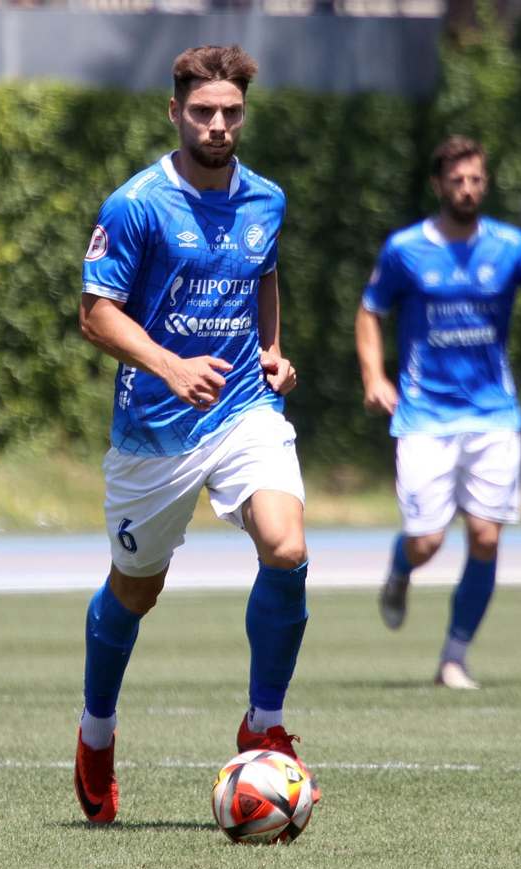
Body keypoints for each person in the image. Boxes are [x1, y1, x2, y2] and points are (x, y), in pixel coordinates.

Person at [72, 45, 313, 823]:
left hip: (243, 408)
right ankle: (97, 730)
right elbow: (95, 314)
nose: (217, 125)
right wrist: (171, 366)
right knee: (137, 590)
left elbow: (264, 273)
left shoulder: (266, 199)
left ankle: (264, 723)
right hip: (155, 430)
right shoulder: (137, 203)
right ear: (174, 112)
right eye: (203, 112)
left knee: (287, 548)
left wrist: (271, 349)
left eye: (231, 112)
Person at [355, 135, 521, 690]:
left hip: (494, 414)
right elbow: (370, 312)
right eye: (457, 181)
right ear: (438, 185)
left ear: (484, 184)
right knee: (426, 542)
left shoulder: (510, 245)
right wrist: (375, 377)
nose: (467, 190)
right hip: (424, 416)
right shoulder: (405, 249)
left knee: (487, 538)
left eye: (475, 180)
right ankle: (400, 570)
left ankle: (454, 657)